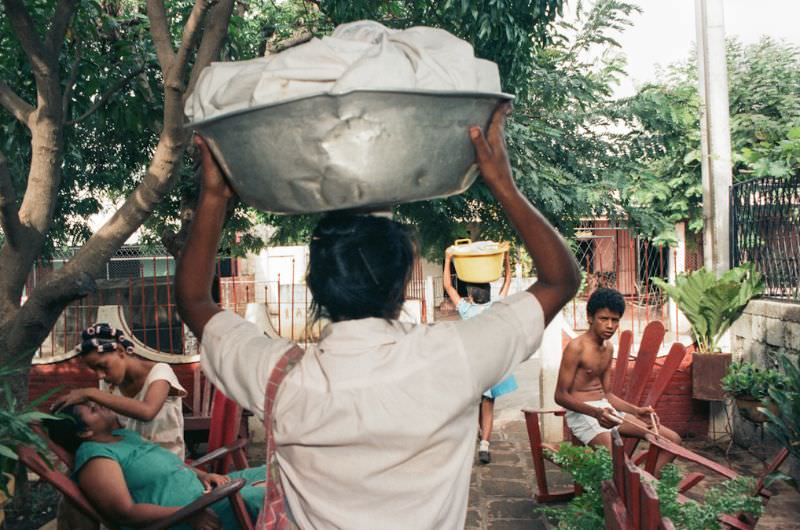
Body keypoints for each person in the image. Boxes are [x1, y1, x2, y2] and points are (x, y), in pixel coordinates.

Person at [176, 102, 581, 529]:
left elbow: (194, 302)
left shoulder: (279, 376)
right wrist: (503, 186)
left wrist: (215, 196)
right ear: (403, 281)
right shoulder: (454, 356)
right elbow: (559, 281)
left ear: (314, 286)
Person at [44, 403, 264, 530]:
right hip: (190, 515)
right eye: (92, 410)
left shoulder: (122, 436)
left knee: (277, 472)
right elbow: (125, 513)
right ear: (84, 432)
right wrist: (188, 514)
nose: (100, 405)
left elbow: (168, 464)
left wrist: (203, 475)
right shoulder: (95, 457)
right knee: (266, 496)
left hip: (204, 493)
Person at [554, 287, 681, 474]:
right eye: (603, 319)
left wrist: (636, 411)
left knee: (673, 440)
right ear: (590, 318)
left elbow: (607, 395)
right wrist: (596, 413)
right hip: (582, 413)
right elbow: (560, 396)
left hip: (606, 410)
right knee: (620, 463)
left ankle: (644, 483)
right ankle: (634, 486)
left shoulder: (608, 348)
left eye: (615, 320)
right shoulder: (576, 347)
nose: (610, 326)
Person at [52, 324, 187, 459]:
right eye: (95, 370)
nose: (100, 375)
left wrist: (90, 393)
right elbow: (113, 428)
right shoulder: (110, 386)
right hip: (130, 459)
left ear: (121, 351)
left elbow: (147, 412)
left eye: (102, 366)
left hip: (166, 465)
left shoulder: (160, 372)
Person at [443, 250, 516, 464]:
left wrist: (448, 259)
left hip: (472, 366)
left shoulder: (466, 310)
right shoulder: (496, 308)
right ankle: (485, 444)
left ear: (471, 296)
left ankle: (476, 432)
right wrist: (506, 259)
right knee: (488, 404)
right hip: (493, 365)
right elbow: (508, 280)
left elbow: (448, 286)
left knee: (474, 403)